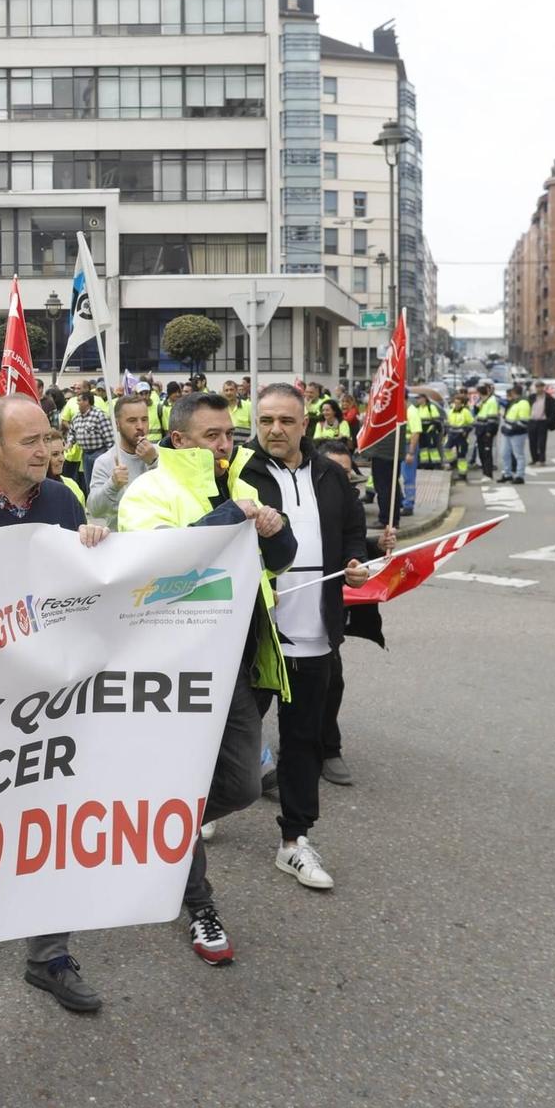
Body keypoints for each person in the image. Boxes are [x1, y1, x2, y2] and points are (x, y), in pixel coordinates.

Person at [0, 395, 109, 1010]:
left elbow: (83, 584)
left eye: (49, 438)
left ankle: (50, 955)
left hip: (48, 693)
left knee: (55, 813)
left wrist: (94, 542)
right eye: (31, 442)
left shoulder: (63, 500)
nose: (47, 451)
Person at [116, 390, 296, 963]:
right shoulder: (147, 493)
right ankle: (200, 906)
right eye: (213, 436)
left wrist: (272, 528)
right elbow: (164, 567)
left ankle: (162, 835)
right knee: (183, 785)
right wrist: (230, 518)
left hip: (237, 668)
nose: (226, 444)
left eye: (229, 433)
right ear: (179, 441)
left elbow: (280, 559)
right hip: (175, 674)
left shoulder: (241, 487)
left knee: (241, 786)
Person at [241, 387, 369, 890]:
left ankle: (295, 841)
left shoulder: (331, 475)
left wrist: (355, 562)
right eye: (267, 419)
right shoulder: (240, 474)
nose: (275, 429)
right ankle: (209, 806)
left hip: (316, 633)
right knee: (232, 733)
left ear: (304, 423)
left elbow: (354, 530)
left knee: (302, 742)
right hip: (258, 633)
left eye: (286, 421)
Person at [314, 443, 392, 786]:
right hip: (281, 606)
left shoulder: (351, 506)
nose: (340, 479)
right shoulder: (291, 497)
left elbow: (351, 541)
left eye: (346, 474)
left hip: (326, 612)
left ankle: (329, 749)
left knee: (331, 680)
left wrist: (374, 547)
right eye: (333, 470)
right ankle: (256, 759)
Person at [85, 392, 159, 528]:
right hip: (122, 540)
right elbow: (94, 510)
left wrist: (154, 462)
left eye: (144, 419)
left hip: (157, 536)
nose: (140, 426)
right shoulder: (105, 461)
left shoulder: (160, 453)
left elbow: (173, 494)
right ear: (117, 424)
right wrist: (113, 484)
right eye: (132, 420)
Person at [70, 384, 114, 488]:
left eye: (79, 400)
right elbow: (72, 433)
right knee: (88, 483)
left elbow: (109, 437)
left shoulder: (99, 415)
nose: (77, 403)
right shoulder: (76, 417)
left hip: (99, 453)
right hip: (85, 455)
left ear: (87, 402)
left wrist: (110, 456)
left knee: (100, 481)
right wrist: (69, 443)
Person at [46, 429, 87, 511]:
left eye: (63, 453)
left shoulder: (72, 485)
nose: (62, 459)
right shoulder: (29, 492)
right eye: (55, 454)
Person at [499, 384, 530, 481]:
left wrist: (511, 429)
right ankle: (507, 474)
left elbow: (524, 421)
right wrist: (506, 428)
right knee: (505, 453)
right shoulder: (515, 402)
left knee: (518, 455)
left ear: (514, 392)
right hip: (508, 432)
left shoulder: (523, 403)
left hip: (517, 433)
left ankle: (519, 476)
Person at [445, 391, 475, 481]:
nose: (456, 405)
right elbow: (448, 423)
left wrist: (466, 431)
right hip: (452, 435)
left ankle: (462, 474)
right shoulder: (451, 411)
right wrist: (447, 430)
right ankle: (453, 463)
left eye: (458, 403)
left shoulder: (465, 412)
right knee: (446, 449)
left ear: (462, 404)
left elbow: (471, 423)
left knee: (461, 456)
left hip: (461, 437)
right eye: (455, 403)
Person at [473, 382, 500, 481]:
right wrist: (477, 404)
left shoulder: (491, 401)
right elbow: (477, 412)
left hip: (486, 431)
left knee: (486, 453)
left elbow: (492, 419)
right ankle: (485, 473)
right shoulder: (484, 401)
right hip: (480, 430)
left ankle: (488, 474)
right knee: (481, 453)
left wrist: (489, 432)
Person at [528, 382, 555, 466]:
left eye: (541, 387)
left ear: (544, 388)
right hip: (532, 422)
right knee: (532, 442)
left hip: (542, 423)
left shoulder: (549, 398)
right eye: (537, 387)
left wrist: (548, 421)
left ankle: (542, 460)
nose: (539, 389)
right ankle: (534, 459)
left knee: (541, 443)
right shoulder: (531, 397)